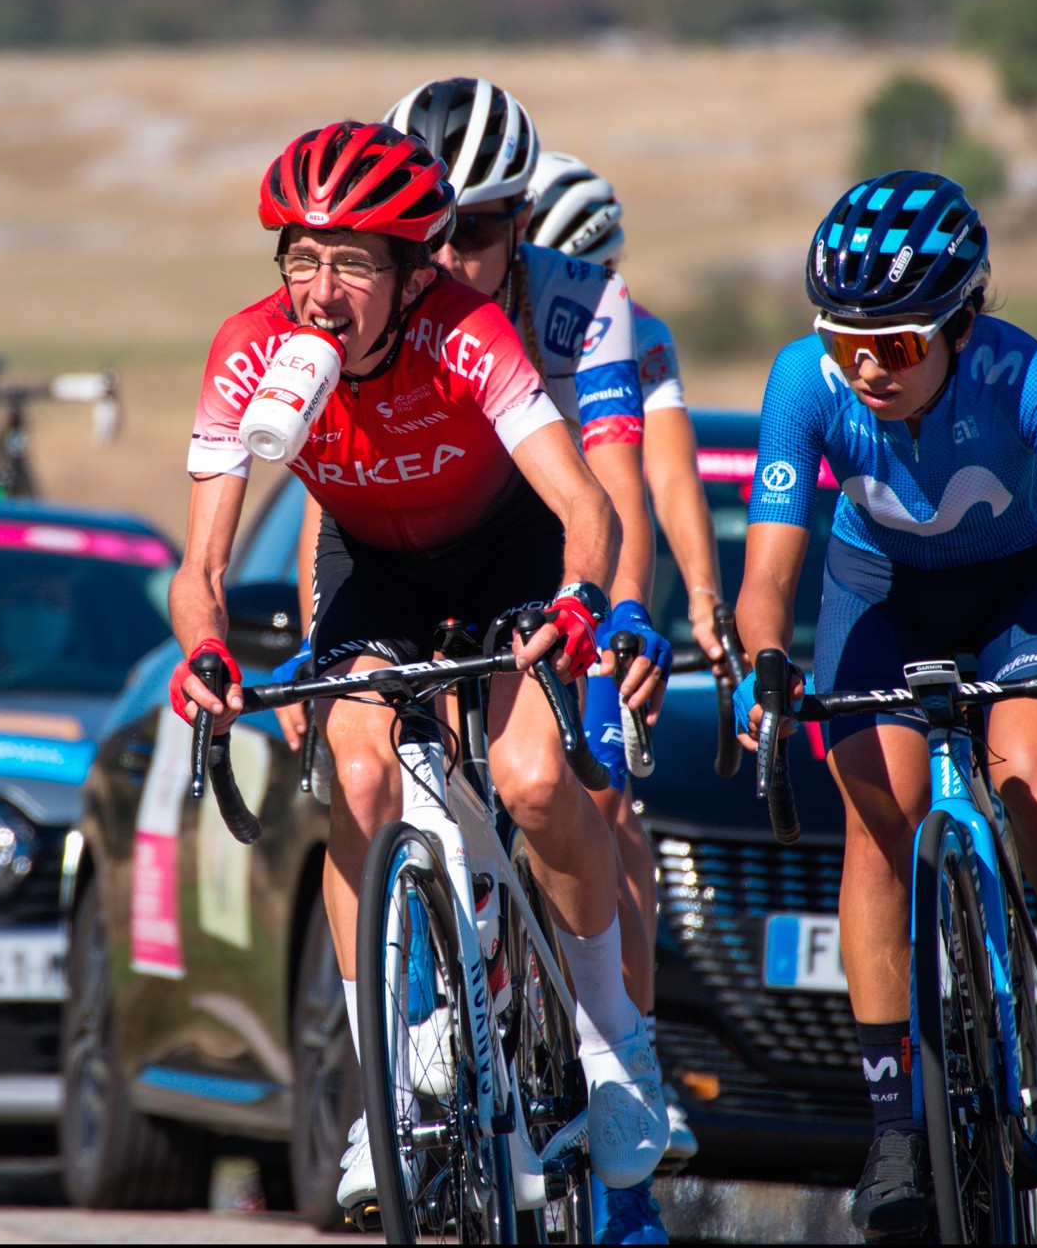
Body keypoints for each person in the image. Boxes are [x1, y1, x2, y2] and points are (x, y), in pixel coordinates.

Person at [169, 120, 669, 1221]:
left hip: (504, 549)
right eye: (299, 258)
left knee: (537, 780)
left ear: (409, 270)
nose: (318, 291)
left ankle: (612, 1043)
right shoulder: (251, 351)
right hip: (370, 566)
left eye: (350, 263)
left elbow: (584, 504)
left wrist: (584, 598)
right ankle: (380, 1093)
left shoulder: (466, 331)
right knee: (354, 776)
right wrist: (200, 649)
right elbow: (199, 567)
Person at [733, 170, 1037, 1241]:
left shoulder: (1020, 374)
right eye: (847, 341)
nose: (868, 367)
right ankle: (890, 1123)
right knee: (875, 823)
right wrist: (759, 660)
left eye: (900, 344)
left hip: (1023, 590)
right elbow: (769, 573)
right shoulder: (802, 383)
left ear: (962, 325)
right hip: (876, 593)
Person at [383, 78, 675, 1244]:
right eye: (431, 228)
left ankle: (617, 1076)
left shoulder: (578, 305)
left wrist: (627, 620)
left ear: (522, 227)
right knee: (388, 778)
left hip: (561, 562)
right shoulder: (385, 312)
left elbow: (617, 488)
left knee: (577, 784)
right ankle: (421, 1033)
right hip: (435, 565)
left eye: (483, 229)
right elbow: (333, 501)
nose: (453, 254)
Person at [526, 147, 730, 1179]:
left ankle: (629, 1055)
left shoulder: (628, 330)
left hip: (593, 573)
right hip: (502, 571)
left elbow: (656, 486)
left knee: (606, 808)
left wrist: (675, 606)